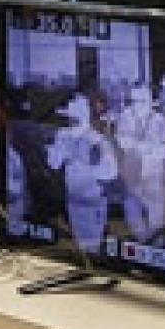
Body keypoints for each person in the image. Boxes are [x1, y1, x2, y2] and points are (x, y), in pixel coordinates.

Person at [48, 95, 118, 252]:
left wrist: (90, 162)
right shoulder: (63, 137)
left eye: (71, 118)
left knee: (92, 246)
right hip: (74, 200)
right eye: (68, 119)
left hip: (92, 202)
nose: (68, 122)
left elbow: (110, 172)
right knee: (82, 245)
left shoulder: (97, 141)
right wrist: (61, 149)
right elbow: (53, 163)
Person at [114, 83, 165, 244]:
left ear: (150, 101)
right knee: (132, 212)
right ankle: (141, 242)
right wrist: (140, 147)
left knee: (155, 213)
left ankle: (157, 244)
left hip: (153, 175)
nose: (136, 105)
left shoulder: (159, 121)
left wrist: (148, 150)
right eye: (133, 100)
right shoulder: (126, 116)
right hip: (132, 175)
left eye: (141, 101)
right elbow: (121, 141)